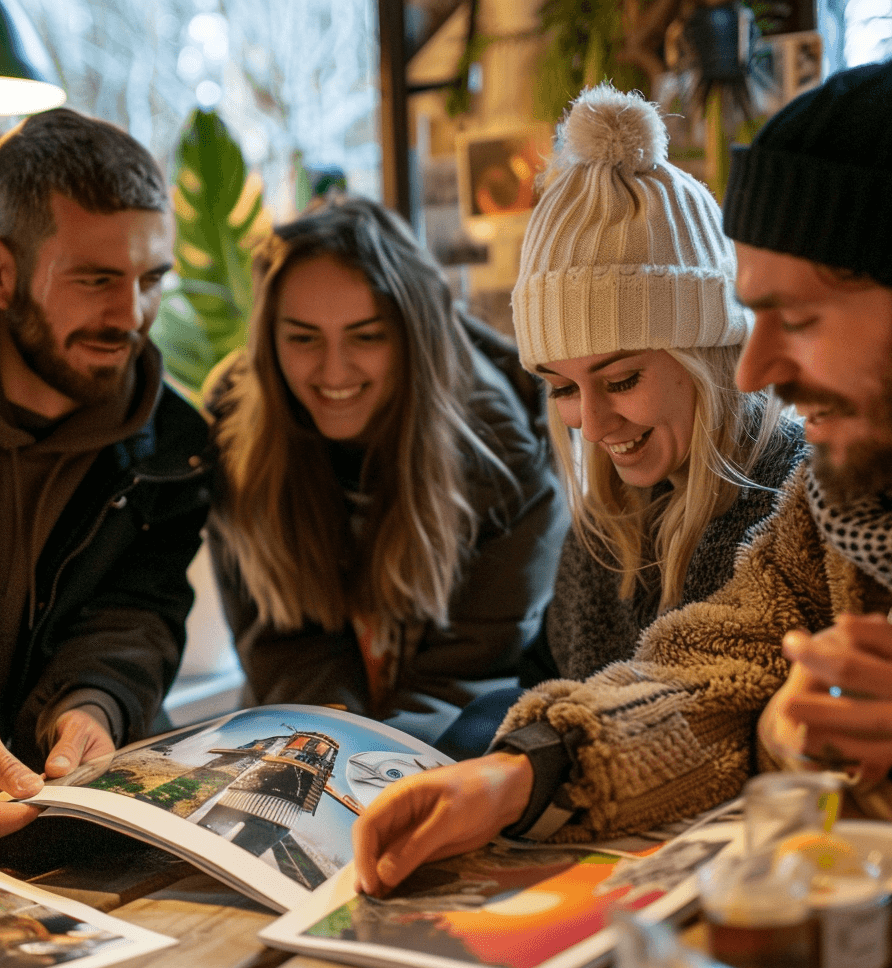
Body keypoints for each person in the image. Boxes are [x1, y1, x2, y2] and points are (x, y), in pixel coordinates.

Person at [353, 62, 892, 898]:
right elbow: (707, 677)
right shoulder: (830, 503)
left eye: (801, 319)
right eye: (563, 388)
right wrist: (524, 772)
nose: (758, 365)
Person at [0, 108, 212, 842]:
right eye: (95, 280)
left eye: (152, 278)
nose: (132, 315)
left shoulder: (176, 447)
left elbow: (136, 618)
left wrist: (95, 703)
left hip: (71, 842)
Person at [435, 84, 804, 760]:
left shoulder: (794, 505)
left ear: (709, 354)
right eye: (561, 389)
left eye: (621, 379)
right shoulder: (606, 521)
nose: (594, 426)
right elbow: (538, 683)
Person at [203, 196, 567, 741]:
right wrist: (329, 741)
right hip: (296, 732)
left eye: (367, 336)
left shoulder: (504, 452)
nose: (333, 370)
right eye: (302, 337)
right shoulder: (234, 433)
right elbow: (282, 649)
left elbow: (471, 676)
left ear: (413, 337)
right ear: (267, 339)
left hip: (453, 750)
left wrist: (368, 770)